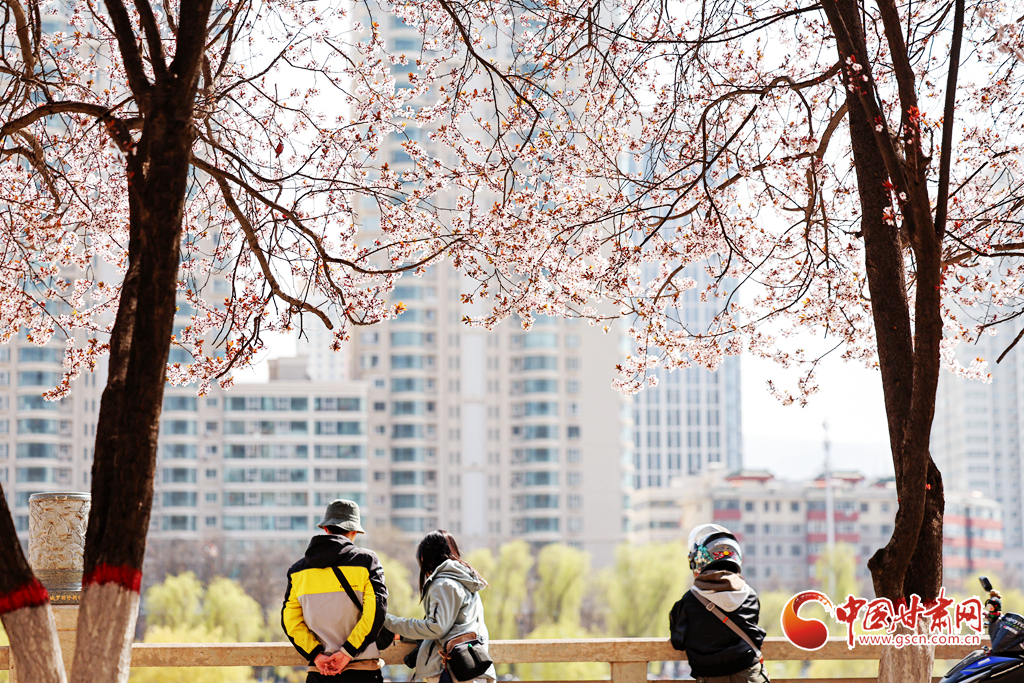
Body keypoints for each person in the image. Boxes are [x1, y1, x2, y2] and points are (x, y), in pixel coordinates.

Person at [282, 499, 389, 683]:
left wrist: (316, 655)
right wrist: (347, 652)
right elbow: (375, 612)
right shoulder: (367, 561)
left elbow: (290, 622)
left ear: (326, 528)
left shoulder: (297, 571)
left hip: (319, 673)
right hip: (362, 672)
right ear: (354, 531)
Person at [385, 530, 496, 683]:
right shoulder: (465, 581)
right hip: (472, 666)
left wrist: (388, 621)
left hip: (451, 671)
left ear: (426, 557)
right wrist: (403, 634)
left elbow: (436, 628)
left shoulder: (444, 584)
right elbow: (454, 626)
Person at [669, 524, 768, 683]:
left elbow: (678, 642)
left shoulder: (688, 601)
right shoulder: (750, 596)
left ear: (698, 561)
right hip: (749, 676)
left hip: (710, 677)